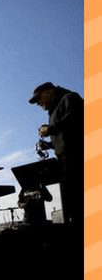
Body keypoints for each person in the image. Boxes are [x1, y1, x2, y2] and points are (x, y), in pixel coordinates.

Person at [28, 81, 83, 226]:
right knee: (71, 204)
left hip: (77, 158)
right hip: (65, 160)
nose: (38, 104)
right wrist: (49, 145)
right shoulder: (54, 110)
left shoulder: (70, 98)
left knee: (78, 202)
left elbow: (75, 120)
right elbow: (67, 137)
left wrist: (51, 129)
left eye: (39, 99)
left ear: (49, 93)